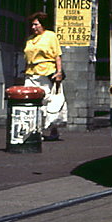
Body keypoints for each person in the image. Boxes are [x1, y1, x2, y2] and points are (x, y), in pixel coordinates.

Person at [23, 11, 67, 141]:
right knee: (32, 102)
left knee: (49, 101)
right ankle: (35, 130)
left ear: (42, 24)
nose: (33, 27)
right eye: (32, 25)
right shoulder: (30, 39)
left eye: (36, 24)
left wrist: (59, 72)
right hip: (31, 73)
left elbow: (57, 55)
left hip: (46, 73)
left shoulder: (50, 36)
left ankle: (53, 130)